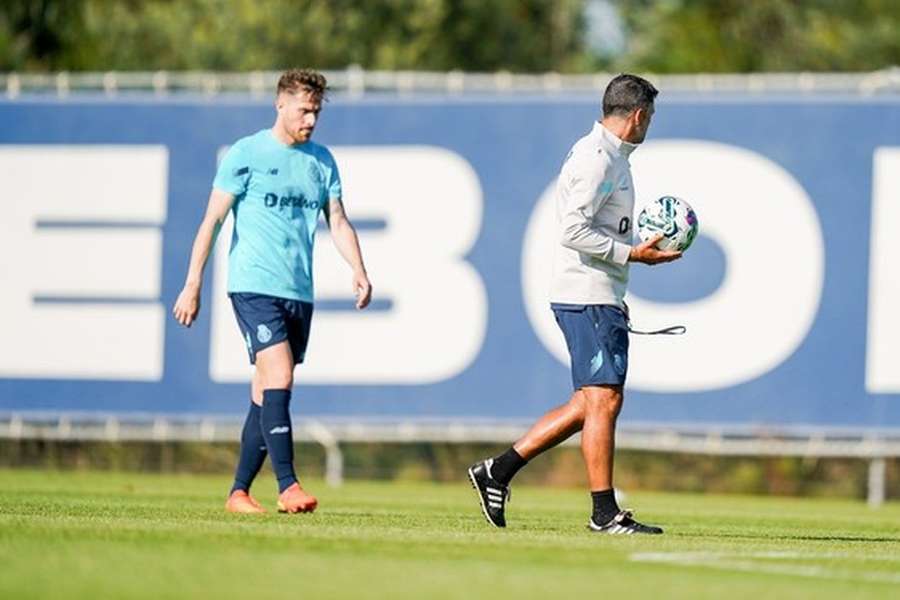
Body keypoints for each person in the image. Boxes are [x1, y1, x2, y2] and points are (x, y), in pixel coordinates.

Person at [468, 74, 680, 534]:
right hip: (586, 294)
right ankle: (604, 513)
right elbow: (571, 230)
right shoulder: (596, 159)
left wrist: (631, 251)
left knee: (592, 402)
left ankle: (497, 472)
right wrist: (632, 254)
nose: (651, 126)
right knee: (603, 399)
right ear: (638, 115)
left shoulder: (611, 156)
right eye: (652, 118)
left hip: (599, 293)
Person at [173, 68, 372, 514]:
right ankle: (288, 486)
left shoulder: (321, 161)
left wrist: (358, 268)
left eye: (316, 112)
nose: (311, 120)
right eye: (304, 110)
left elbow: (336, 220)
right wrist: (193, 283)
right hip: (253, 285)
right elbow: (213, 221)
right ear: (280, 104)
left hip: (298, 291)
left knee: (267, 391)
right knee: (279, 375)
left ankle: (238, 493)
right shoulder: (247, 154)